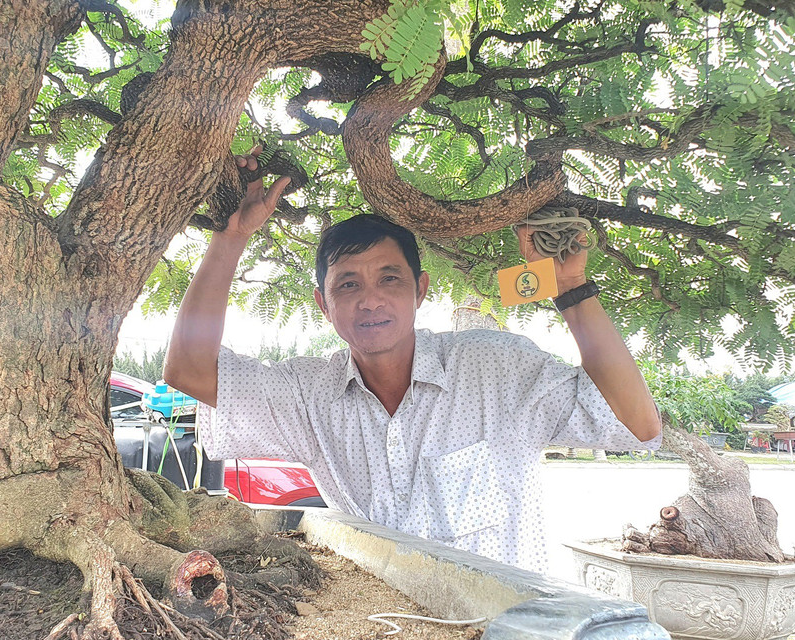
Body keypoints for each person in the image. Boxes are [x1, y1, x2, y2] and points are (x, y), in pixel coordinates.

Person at [164, 154, 662, 572]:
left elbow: (635, 423)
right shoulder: (308, 396)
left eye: (390, 279)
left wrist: (572, 286)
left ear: (421, 290)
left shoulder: (493, 367)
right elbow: (188, 370)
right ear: (324, 304)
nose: (370, 301)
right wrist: (230, 238)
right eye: (348, 284)